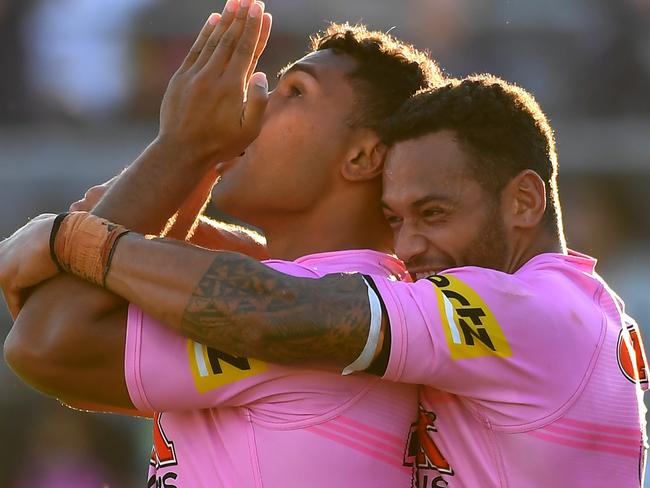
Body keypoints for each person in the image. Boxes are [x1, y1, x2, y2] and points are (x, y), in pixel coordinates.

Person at [2, 8, 646, 488]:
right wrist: (108, 224)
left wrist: (182, 155)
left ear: (525, 202)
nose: (410, 247)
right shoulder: (528, 316)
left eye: (293, 92)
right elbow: (253, 279)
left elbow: (280, 309)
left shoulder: (528, 310)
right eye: (397, 218)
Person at [2, 1, 444, 487]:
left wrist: (187, 148)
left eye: (295, 92)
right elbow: (58, 326)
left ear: (361, 156)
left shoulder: (307, 314)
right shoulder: (331, 291)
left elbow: (45, 344)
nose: (254, 104)